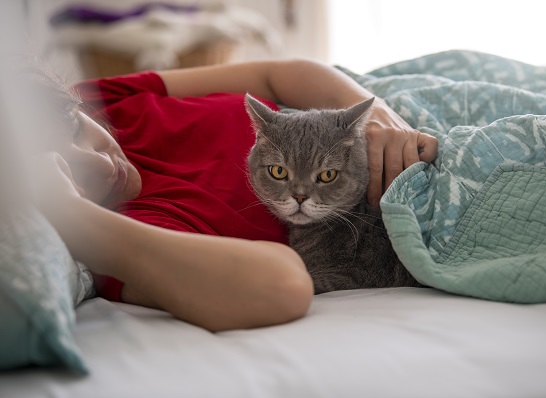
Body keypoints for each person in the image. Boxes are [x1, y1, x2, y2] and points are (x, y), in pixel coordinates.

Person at [32, 58, 438, 332]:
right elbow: (281, 286)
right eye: (67, 167)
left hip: (370, 113)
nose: (101, 164)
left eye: (75, 130)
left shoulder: (91, 99)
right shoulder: (124, 236)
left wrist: (377, 113)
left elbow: (274, 75)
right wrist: (76, 220)